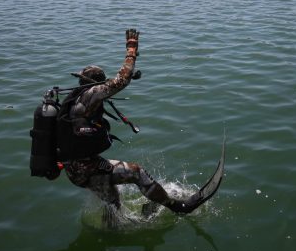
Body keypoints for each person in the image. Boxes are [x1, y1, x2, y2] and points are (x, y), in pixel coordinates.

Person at [56, 29, 199, 215]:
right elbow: (121, 80)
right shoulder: (91, 94)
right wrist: (131, 50)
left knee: (113, 203)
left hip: (76, 170)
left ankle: (113, 231)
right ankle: (178, 207)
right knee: (136, 172)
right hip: (86, 169)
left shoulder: (74, 100)